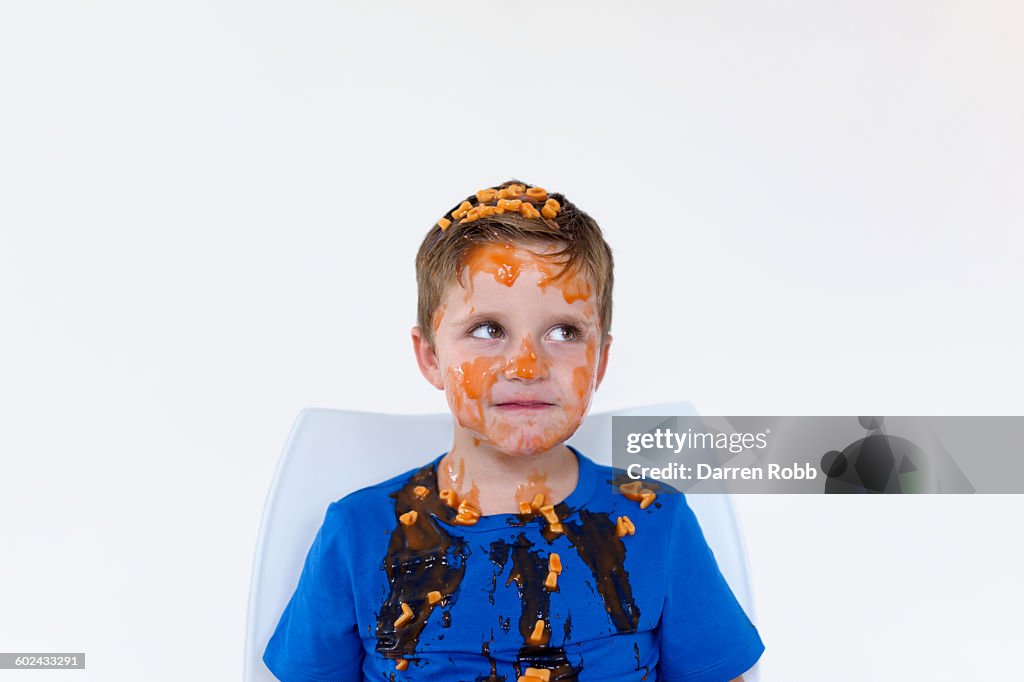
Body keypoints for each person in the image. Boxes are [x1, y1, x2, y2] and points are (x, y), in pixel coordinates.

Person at [263, 180, 765, 681]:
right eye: (488, 329)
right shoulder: (358, 534)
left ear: (601, 361)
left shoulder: (658, 523)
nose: (527, 366)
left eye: (564, 331)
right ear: (430, 356)